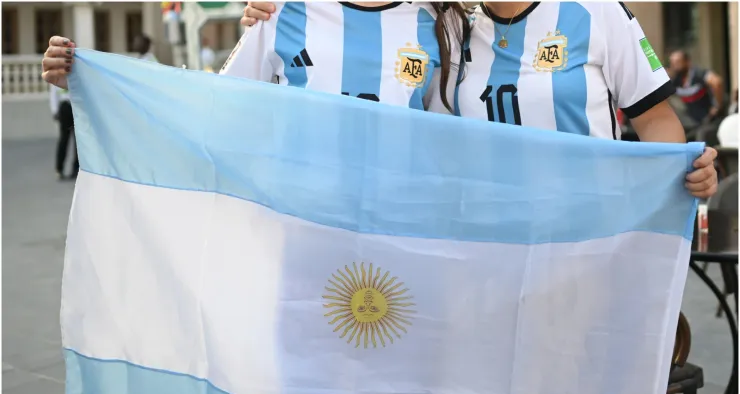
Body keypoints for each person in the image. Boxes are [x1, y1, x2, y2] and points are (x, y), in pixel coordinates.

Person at [242, 1, 718, 199]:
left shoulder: (596, 13)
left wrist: (686, 174)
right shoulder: (453, 29)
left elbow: (655, 119)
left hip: (587, 227)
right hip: (487, 239)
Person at [42, 2, 468, 113]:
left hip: (398, 236)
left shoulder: (441, 24)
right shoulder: (280, 11)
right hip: (295, 226)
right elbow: (216, 104)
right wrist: (94, 80)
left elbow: (447, 142)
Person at [669, 50, 725, 126]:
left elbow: (717, 82)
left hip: (708, 121)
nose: (675, 66)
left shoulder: (698, 73)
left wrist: (717, 106)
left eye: (678, 62)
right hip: (690, 123)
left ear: (687, 62)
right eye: (672, 63)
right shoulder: (675, 79)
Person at [50, 84, 78, 180]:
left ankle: (76, 169)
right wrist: (54, 110)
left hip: (76, 106)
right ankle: (59, 168)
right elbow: (53, 93)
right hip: (65, 105)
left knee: (78, 140)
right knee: (64, 139)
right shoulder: (58, 72)